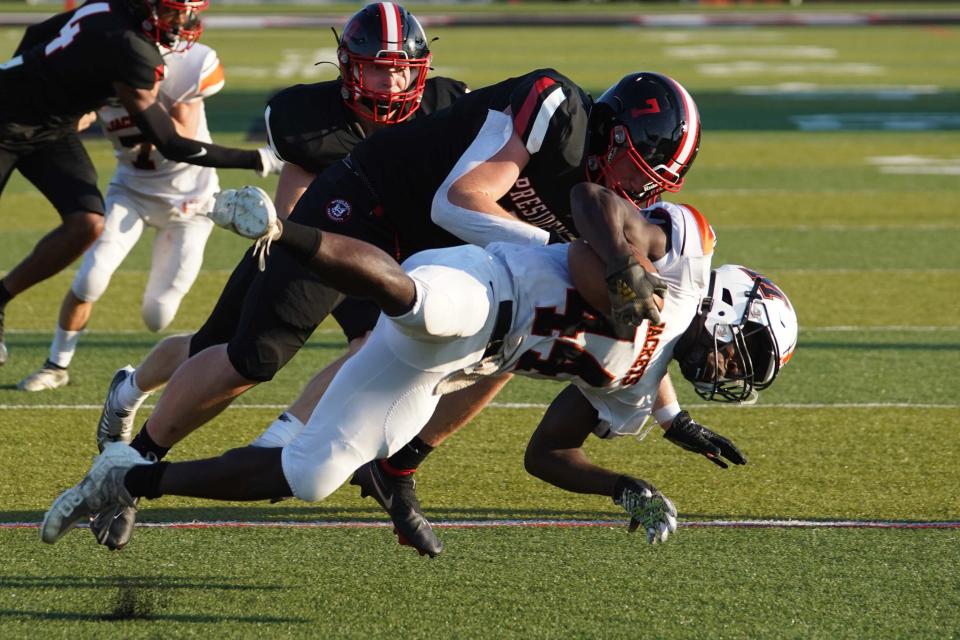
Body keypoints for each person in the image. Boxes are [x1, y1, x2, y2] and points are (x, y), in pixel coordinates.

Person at [90, 68, 702, 553]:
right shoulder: (557, 107)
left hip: (429, 256)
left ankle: (393, 467)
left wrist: (669, 414)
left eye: (651, 185)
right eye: (634, 170)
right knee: (250, 357)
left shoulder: (602, 202)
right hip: (365, 208)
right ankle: (134, 461)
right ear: (614, 132)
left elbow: (649, 324)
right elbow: (459, 202)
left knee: (497, 355)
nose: (637, 193)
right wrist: (566, 253)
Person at [40, 183, 798, 552]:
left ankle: (127, 478)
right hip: (486, 284)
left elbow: (547, 453)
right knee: (425, 303)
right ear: (734, 305)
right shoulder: (685, 260)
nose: (732, 369)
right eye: (746, 351)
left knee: (308, 476)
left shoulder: (640, 385)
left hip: (456, 369)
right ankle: (283, 230)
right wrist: (630, 269)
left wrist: (620, 486)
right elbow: (593, 200)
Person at [83, 1, 468, 550]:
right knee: (222, 353)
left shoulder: (449, 105)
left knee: (377, 342)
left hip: (384, 254)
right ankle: (132, 417)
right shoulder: (308, 119)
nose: (394, 79)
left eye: (403, 67)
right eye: (380, 67)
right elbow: (296, 220)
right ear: (349, 66)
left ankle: (284, 436)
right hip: (308, 239)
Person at [0, 0, 281, 366]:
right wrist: (256, 159)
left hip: (53, 128)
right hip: (5, 121)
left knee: (87, 223)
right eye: (172, 11)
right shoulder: (132, 48)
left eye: (187, 11)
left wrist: (45, 84)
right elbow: (171, 143)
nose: (182, 22)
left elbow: (37, 33)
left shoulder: (106, 7)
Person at [17, 40, 231, 391]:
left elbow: (183, 139)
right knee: (91, 277)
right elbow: (74, 118)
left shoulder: (184, 69)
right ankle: (56, 365)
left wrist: (146, 108)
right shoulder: (100, 78)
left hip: (190, 203)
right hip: (132, 190)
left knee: (157, 315)